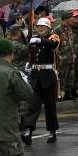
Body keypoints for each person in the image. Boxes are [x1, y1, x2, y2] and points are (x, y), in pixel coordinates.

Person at [21, 17, 61, 145]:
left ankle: (52, 131)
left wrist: (40, 40)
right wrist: (29, 64)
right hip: (35, 76)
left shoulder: (53, 37)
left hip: (48, 76)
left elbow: (53, 45)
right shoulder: (33, 39)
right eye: (39, 27)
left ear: (48, 28)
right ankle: (28, 130)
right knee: (32, 105)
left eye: (43, 27)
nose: (40, 28)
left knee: (50, 106)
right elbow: (32, 54)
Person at [55, 11, 78, 99]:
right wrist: (58, 56)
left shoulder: (70, 29)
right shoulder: (57, 30)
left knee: (71, 76)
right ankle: (62, 94)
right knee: (63, 77)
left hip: (71, 57)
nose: (73, 19)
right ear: (66, 18)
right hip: (62, 58)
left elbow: (71, 43)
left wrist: (74, 54)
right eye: (71, 17)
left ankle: (69, 93)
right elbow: (56, 45)